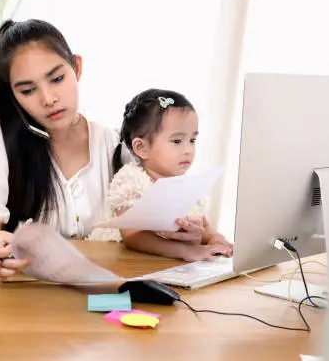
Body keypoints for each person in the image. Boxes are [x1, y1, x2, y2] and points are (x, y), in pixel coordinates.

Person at [0, 19, 207, 281]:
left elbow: (153, 215)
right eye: (28, 90)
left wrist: (188, 231)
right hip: (29, 294)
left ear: (78, 68)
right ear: (13, 95)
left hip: (101, 291)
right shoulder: (3, 131)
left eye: (58, 79)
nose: (48, 98)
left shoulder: (113, 144)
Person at [90, 89, 234, 261]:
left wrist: (214, 239)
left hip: (160, 267)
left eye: (192, 140)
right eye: (177, 141)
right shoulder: (131, 180)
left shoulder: (186, 186)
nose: (188, 150)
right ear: (141, 148)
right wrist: (186, 251)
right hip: (118, 265)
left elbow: (203, 228)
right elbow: (133, 236)